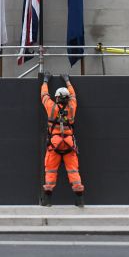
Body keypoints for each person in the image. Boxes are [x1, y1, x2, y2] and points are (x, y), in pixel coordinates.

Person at [40, 72, 85, 207]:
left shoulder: (52, 107)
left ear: (57, 98)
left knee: (50, 171)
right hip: (69, 145)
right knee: (73, 171)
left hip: (54, 145)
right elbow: (73, 95)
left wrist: (46, 80)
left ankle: (47, 201)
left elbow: (44, 95)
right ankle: (79, 200)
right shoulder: (72, 107)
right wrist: (67, 80)